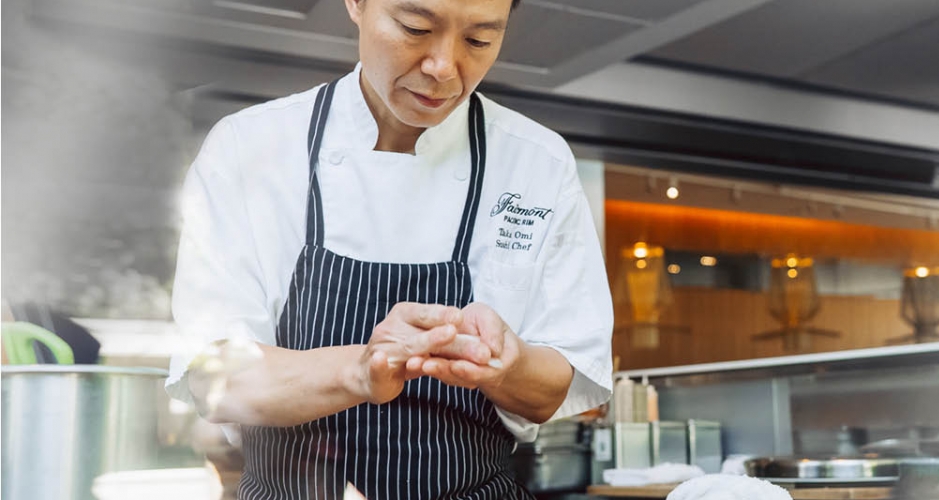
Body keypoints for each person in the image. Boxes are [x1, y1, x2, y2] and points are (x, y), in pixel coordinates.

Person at [165, 0, 613, 498]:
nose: (444, 67)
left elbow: (559, 384)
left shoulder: (538, 163)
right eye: (415, 27)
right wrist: (361, 370)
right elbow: (213, 377)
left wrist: (508, 365)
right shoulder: (249, 147)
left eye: (479, 40)